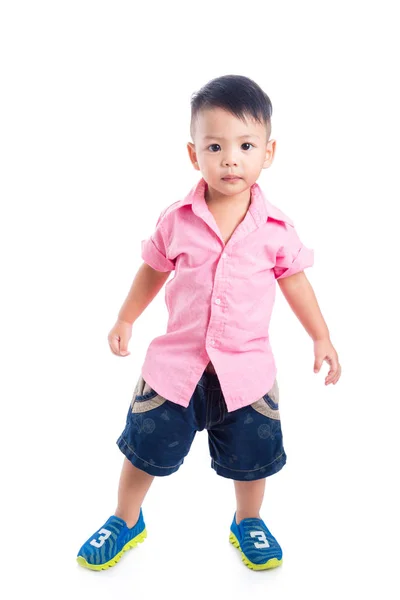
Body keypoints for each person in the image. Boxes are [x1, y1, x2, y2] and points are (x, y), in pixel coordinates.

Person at [76, 74, 341, 572]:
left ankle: (248, 521)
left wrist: (321, 336)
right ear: (194, 154)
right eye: (215, 146)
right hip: (176, 370)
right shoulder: (176, 220)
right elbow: (153, 270)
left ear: (269, 151)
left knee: (253, 456)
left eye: (245, 145)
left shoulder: (277, 229)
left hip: (247, 373)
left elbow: (297, 285)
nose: (230, 159)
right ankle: (125, 519)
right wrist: (125, 317)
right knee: (141, 447)